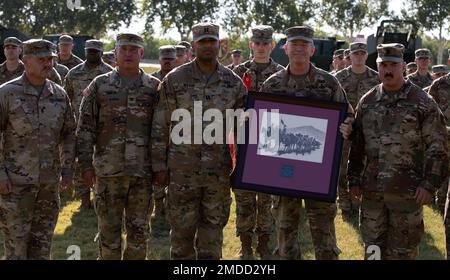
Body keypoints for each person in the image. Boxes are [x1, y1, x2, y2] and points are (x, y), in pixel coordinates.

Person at [152, 22, 246, 260]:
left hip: (217, 174)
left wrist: (246, 169)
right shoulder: (174, 80)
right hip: (181, 173)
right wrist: (159, 166)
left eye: (212, 42)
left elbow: (244, 130)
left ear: (219, 45)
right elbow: (160, 125)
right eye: (202, 42)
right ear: (193, 45)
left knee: (212, 239)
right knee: (182, 239)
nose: (207, 46)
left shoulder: (232, 83)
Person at [348, 43, 449, 260]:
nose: (388, 69)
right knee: (372, 250)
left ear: (403, 66)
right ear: (377, 67)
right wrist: (354, 180)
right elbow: (357, 146)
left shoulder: (422, 102)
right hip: (373, 194)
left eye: (393, 64)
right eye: (383, 64)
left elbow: (438, 147)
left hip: (408, 195)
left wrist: (429, 185)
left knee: (402, 252)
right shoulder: (368, 102)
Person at [260, 26, 353, 260]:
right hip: (283, 172)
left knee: (323, 234)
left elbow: (348, 114)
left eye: (304, 45)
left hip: (319, 173)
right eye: (294, 44)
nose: (299, 49)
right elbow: (265, 127)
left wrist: (347, 125)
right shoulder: (272, 85)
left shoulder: (329, 83)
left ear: (312, 49)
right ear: (286, 48)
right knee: (285, 233)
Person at [77, 33, 159, 260]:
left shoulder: (154, 88)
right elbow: (85, 128)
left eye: (134, 49)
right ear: (115, 53)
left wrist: (161, 166)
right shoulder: (100, 85)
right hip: (108, 172)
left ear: (142, 53)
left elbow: (161, 131)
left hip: (142, 174)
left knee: (139, 234)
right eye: (124, 49)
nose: (129, 54)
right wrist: (85, 165)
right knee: (108, 234)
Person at [0, 39, 76, 259]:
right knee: (16, 249)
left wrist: (68, 170)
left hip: (48, 185)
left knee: (42, 247)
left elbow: (69, 134)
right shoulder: (6, 93)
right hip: (15, 185)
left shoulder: (59, 94)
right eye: (41, 59)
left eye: (50, 59)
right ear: (26, 61)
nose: (48, 64)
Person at [232, 25, 284, 260]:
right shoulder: (236, 73)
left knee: (265, 198)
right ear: (251, 45)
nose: (261, 47)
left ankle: (263, 241)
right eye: (257, 43)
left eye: (266, 43)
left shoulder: (282, 73)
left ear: (272, 45)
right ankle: (245, 243)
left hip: (269, 143)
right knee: (243, 197)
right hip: (242, 141)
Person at [64, 39, 113, 210]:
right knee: (82, 162)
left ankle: (101, 197)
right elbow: (67, 99)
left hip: (103, 128)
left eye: (96, 51)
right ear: (85, 51)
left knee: (102, 162)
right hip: (80, 125)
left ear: (101, 52)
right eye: (90, 51)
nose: (93, 54)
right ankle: (84, 200)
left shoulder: (110, 74)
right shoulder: (73, 73)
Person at [334, 42, 380, 220]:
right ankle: (344, 203)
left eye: (362, 53)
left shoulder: (376, 78)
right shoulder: (339, 78)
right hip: (344, 129)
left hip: (367, 130)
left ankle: (359, 203)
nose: (359, 56)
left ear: (366, 56)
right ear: (349, 56)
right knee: (342, 167)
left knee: (365, 166)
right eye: (356, 54)